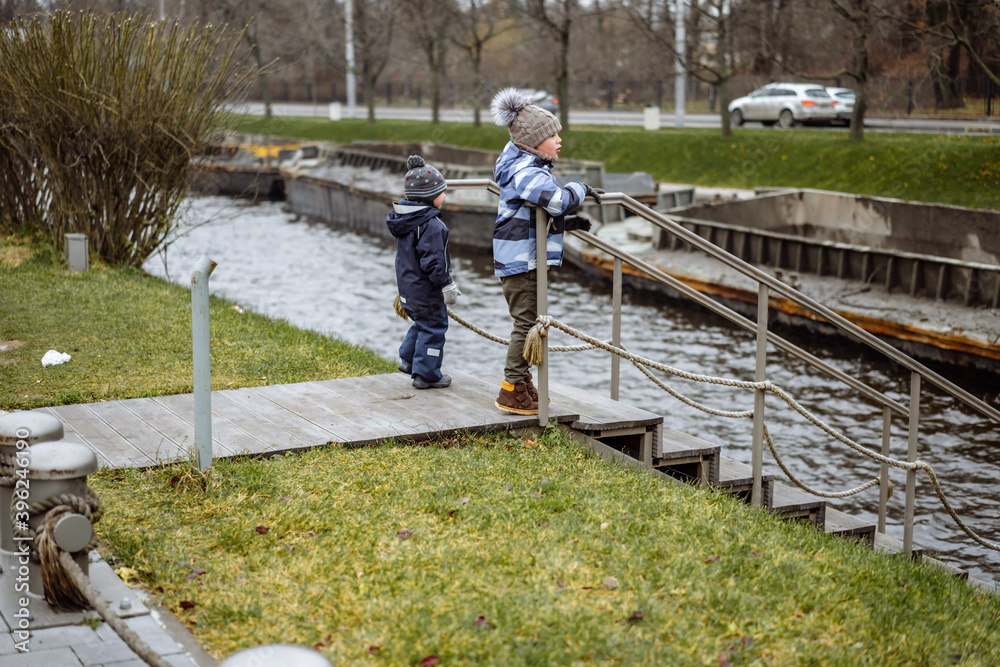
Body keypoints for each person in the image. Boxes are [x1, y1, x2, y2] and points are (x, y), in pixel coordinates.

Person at [489, 88, 603, 415]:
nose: (559, 140)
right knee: (526, 323)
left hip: (524, 258)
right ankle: (510, 388)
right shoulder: (525, 170)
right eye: (552, 135)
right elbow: (553, 200)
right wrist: (579, 189)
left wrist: (567, 221)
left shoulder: (526, 166)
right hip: (521, 262)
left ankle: (521, 382)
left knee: (530, 320)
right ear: (532, 141)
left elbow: (540, 209)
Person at [386, 155, 461, 390]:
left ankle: (408, 360)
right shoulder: (433, 225)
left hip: (408, 290)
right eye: (442, 192)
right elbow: (434, 263)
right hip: (426, 292)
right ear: (430, 196)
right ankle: (426, 375)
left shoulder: (405, 219)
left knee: (421, 324)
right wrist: (447, 285)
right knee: (435, 328)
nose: (445, 196)